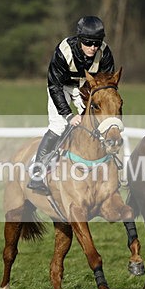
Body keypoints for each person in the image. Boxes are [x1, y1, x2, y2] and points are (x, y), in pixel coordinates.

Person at [27, 16, 114, 194]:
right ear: (80, 39)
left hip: (85, 89)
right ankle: (37, 173)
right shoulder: (63, 51)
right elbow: (54, 86)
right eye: (88, 43)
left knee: (97, 124)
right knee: (59, 126)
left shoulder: (105, 53)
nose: (93, 47)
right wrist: (68, 115)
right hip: (61, 88)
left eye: (97, 43)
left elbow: (106, 86)